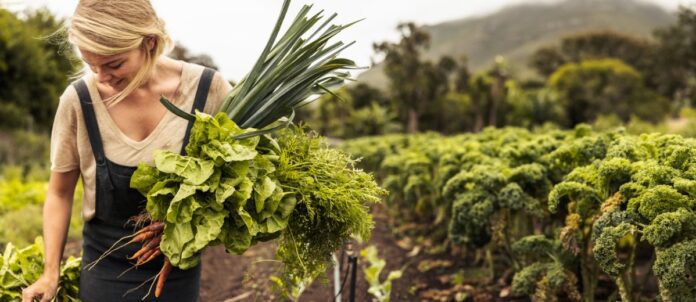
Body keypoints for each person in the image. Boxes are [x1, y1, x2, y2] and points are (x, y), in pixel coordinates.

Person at [21, 0, 232, 301]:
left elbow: (234, 184)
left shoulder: (208, 91)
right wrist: (50, 273)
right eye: (91, 65)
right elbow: (59, 193)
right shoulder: (79, 101)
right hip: (104, 268)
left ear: (149, 42)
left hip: (177, 272)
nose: (101, 76)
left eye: (114, 64)